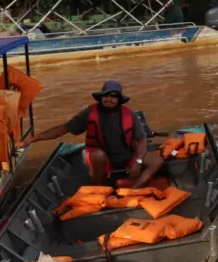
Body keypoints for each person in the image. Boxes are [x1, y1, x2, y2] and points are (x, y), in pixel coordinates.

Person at [20, 81, 165, 188]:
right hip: (102, 158)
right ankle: (99, 187)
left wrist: (138, 163)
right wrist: (33, 139)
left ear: (119, 99)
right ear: (101, 97)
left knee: (157, 162)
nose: (109, 99)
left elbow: (141, 139)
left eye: (113, 96)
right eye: (106, 96)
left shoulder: (129, 114)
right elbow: (64, 128)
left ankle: (134, 189)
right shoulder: (90, 113)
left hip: (126, 155)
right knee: (97, 155)